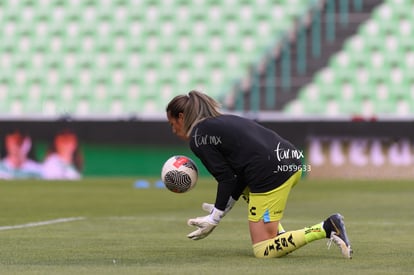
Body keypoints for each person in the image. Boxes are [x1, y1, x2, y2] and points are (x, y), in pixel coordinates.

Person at [166, 90, 352, 259]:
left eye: (172, 123)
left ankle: (327, 227)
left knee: (263, 249)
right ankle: (277, 235)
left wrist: (214, 218)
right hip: (291, 161)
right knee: (250, 193)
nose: (173, 130)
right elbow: (237, 179)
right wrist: (220, 210)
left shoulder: (198, 136)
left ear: (181, 117)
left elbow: (227, 179)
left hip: (269, 173)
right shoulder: (222, 121)